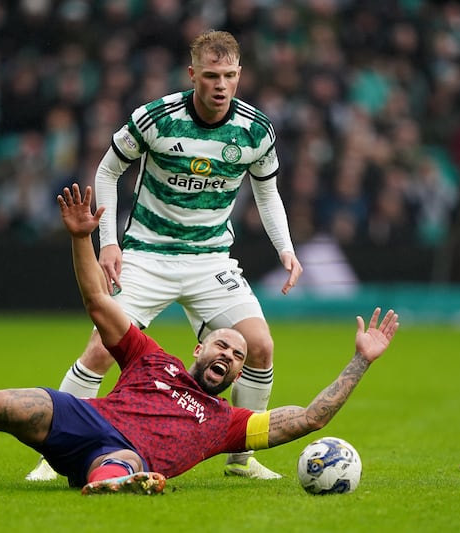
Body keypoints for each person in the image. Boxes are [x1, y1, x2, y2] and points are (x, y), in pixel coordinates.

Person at [0, 183, 399, 496]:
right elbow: (97, 304)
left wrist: (360, 362)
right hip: (86, 422)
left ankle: (117, 482)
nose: (228, 356)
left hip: (125, 454)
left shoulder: (229, 424)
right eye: (221, 346)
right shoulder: (152, 358)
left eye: (236, 357)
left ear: (234, 377)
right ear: (198, 347)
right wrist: (82, 241)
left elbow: (309, 419)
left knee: (117, 465)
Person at [28, 29, 304, 482]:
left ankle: (241, 460)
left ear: (240, 76)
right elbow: (108, 170)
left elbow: (267, 194)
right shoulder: (156, 117)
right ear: (192, 74)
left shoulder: (256, 130)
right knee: (100, 349)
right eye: (211, 75)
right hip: (147, 256)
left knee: (260, 345)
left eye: (230, 76)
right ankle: (49, 457)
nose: (220, 85)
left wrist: (286, 250)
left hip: (210, 260)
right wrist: (110, 243)